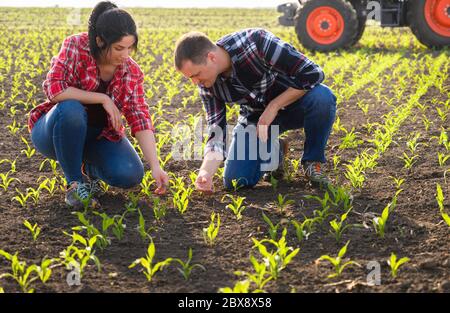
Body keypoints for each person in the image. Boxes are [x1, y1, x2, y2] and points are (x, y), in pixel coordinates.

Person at [28, 1, 169, 209]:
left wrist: (156, 166)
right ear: (100, 41)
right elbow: (55, 89)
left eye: (130, 47)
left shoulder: (131, 71)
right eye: (119, 48)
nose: (126, 55)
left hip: (96, 136)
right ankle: (75, 185)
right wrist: (103, 98)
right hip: (54, 131)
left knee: (130, 173)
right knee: (71, 109)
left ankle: (89, 171)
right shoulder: (76, 46)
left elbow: (139, 116)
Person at [174, 28, 336, 192]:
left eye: (196, 74)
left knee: (322, 97)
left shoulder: (255, 41)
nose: (195, 82)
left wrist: (274, 106)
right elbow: (217, 131)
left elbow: (313, 73)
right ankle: (275, 150)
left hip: (296, 104)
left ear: (211, 57)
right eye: (190, 78)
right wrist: (205, 172)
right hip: (256, 120)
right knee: (236, 181)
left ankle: (312, 162)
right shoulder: (207, 85)